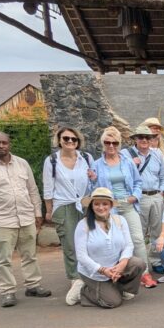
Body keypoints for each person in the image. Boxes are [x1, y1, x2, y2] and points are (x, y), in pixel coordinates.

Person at [0, 131, 50, 307]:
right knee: (4, 258)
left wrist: (37, 212)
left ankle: (33, 285)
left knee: (30, 254)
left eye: (4, 143)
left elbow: (32, 189)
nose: (1, 146)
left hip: (25, 217)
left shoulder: (22, 164)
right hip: (1, 220)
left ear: (9, 144)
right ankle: (7, 291)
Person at [91, 127, 156, 288]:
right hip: (109, 207)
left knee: (138, 239)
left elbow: (138, 182)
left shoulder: (127, 161)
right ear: (103, 143)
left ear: (119, 144)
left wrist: (135, 195)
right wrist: (92, 179)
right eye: (107, 142)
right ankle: (116, 274)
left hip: (128, 204)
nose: (111, 145)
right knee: (114, 242)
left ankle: (145, 273)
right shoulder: (97, 164)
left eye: (115, 142)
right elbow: (93, 188)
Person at [43, 126, 96, 304]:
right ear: (59, 141)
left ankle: (89, 275)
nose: (70, 142)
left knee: (89, 242)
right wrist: (49, 211)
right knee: (70, 244)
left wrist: (93, 177)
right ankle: (75, 278)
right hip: (63, 205)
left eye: (74, 139)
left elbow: (94, 181)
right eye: (66, 139)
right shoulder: (51, 161)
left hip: (85, 204)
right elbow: (48, 188)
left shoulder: (86, 158)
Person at [69, 187, 146, 308]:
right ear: (91, 206)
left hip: (116, 267)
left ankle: (120, 288)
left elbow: (128, 245)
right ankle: (83, 291)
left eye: (105, 204)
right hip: (94, 272)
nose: (101, 207)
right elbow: (81, 256)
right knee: (112, 302)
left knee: (138, 264)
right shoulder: (83, 225)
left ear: (111, 205)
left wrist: (122, 263)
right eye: (97, 204)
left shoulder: (120, 220)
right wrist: (103, 270)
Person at [127, 124, 164, 278]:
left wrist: (162, 191)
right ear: (135, 139)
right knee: (138, 234)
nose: (144, 140)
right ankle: (140, 265)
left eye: (148, 137)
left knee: (157, 231)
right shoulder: (127, 155)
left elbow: (163, 175)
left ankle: (156, 262)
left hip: (156, 196)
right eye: (141, 137)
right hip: (139, 198)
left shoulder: (157, 154)